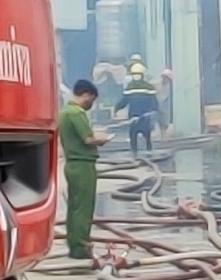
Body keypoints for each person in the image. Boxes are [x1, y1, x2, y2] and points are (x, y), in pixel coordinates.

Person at [59, 80, 110, 260]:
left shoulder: (64, 112)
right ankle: (81, 246)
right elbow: (88, 139)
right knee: (84, 208)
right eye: (92, 99)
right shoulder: (76, 113)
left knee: (74, 206)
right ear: (86, 95)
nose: (91, 104)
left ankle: (74, 244)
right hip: (83, 164)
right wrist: (102, 139)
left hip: (71, 164)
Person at [113, 63, 160, 154]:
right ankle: (149, 152)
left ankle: (135, 154)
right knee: (147, 136)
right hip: (144, 117)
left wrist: (117, 108)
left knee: (133, 136)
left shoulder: (130, 87)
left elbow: (124, 101)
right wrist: (154, 110)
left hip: (134, 117)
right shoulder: (149, 87)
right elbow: (154, 103)